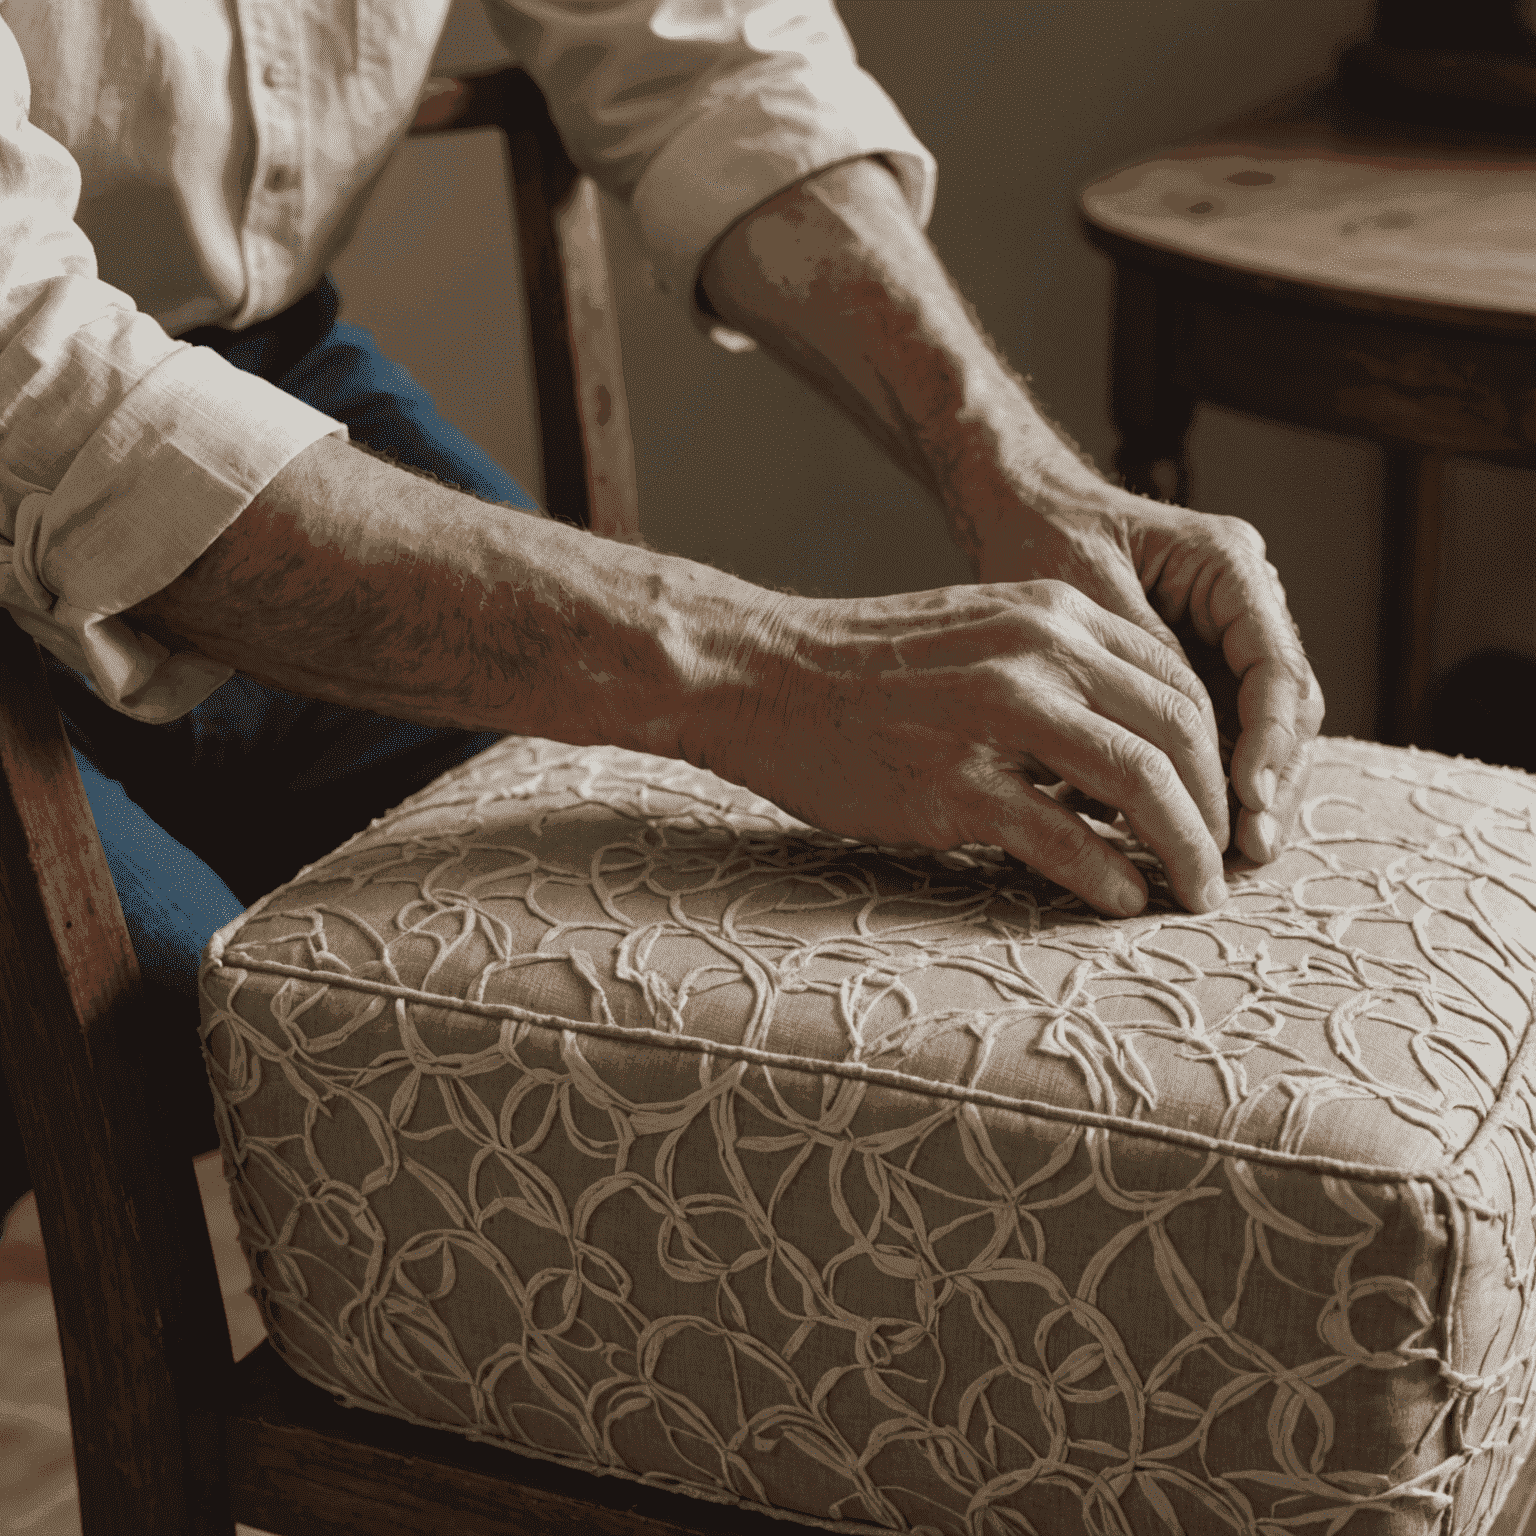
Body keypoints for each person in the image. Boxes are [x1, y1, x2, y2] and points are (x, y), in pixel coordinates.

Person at [0, 0, 1322, 1198]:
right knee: (171, 1034)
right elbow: (36, 378)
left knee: (632, 994)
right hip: (43, 389)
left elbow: (710, 49)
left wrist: (1016, 471)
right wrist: (768, 671)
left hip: (258, 373)